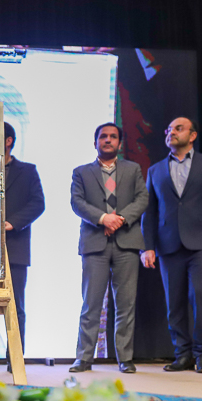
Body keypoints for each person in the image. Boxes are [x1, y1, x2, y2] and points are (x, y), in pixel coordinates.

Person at [141, 117, 202, 374]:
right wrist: (147, 246)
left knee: (201, 296)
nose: (171, 132)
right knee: (174, 302)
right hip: (168, 245)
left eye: (178, 128)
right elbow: (150, 212)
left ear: (192, 136)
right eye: (169, 129)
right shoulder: (155, 170)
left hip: (201, 244)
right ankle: (183, 354)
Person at [69, 123, 148, 373]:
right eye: (103, 136)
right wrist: (103, 219)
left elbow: (142, 198)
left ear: (120, 144)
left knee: (126, 305)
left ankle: (125, 358)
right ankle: (84, 358)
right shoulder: (81, 172)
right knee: (91, 304)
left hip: (127, 243)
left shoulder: (133, 169)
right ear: (95, 142)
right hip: (95, 243)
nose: (108, 140)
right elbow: (77, 202)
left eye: (113, 137)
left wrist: (119, 219)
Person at [0, 122, 45, 368]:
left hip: (15, 248)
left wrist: (12, 223)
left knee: (15, 306)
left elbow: (38, 204)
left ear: (8, 141)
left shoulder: (28, 171)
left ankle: (15, 358)